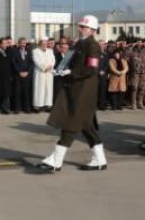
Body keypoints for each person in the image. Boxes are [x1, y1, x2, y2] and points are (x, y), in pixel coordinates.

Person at [36, 15, 107, 172]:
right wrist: (60, 70)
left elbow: (91, 68)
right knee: (86, 126)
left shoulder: (92, 45)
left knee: (71, 123)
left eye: (84, 27)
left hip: (83, 90)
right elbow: (68, 60)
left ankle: (56, 160)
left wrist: (70, 72)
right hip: (76, 87)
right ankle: (99, 159)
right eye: (80, 26)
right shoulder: (80, 44)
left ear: (93, 30)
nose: (81, 28)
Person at [31, 37, 55, 112]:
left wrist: (51, 66)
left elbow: (53, 60)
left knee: (48, 89)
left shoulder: (50, 51)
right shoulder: (35, 51)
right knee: (40, 89)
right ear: (40, 43)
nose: (44, 45)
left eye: (45, 43)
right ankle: (38, 106)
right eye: (43, 43)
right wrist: (44, 68)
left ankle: (48, 105)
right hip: (40, 72)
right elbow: (36, 61)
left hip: (49, 73)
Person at [10, 37, 33, 113]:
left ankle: (26, 108)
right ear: (18, 43)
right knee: (17, 92)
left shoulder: (29, 51)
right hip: (18, 75)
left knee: (26, 92)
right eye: (21, 43)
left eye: (24, 43)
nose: (23, 44)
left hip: (27, 75)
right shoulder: (14, 51)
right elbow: (14, 62)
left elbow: (31, 62)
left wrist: (27, 72)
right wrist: (19, 72)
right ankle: (17, 108)